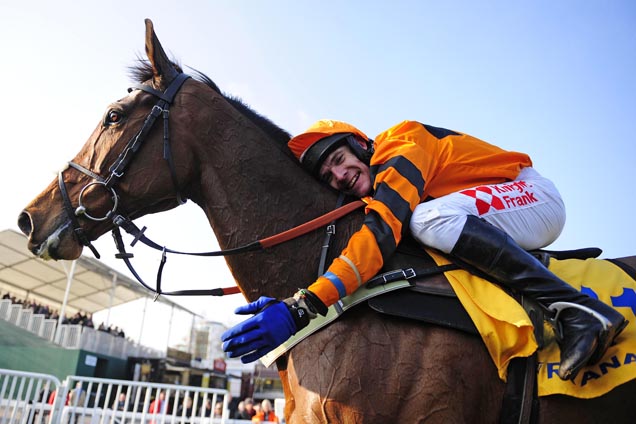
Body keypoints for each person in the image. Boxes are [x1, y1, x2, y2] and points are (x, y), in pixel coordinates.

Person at [222, 119, 627, 381]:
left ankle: (580, 310)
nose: (340, 176)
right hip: (491, 212)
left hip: (531, 195)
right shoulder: (378, 185)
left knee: (423, 221)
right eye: (329, 177)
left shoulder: (402, 142)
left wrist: (304, 307)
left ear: (361, 145)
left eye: (340, 160)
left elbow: (380, 233)